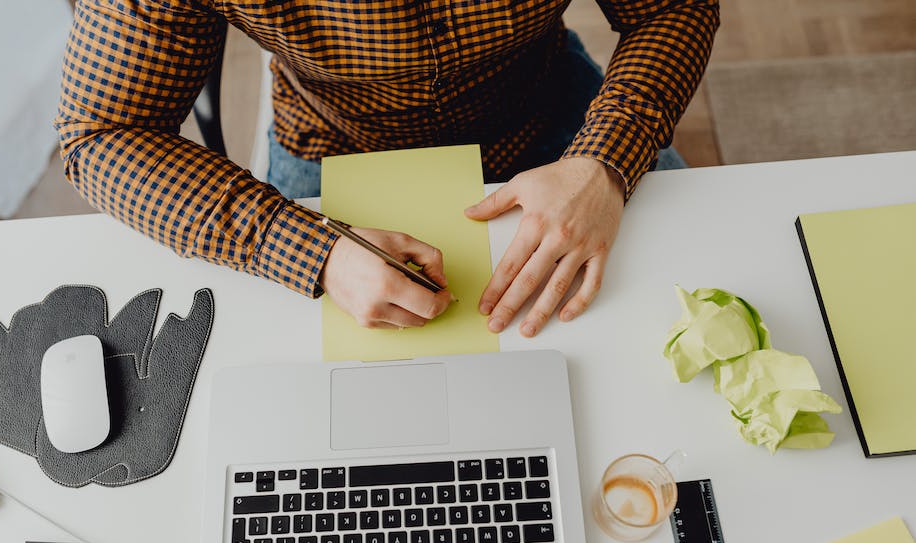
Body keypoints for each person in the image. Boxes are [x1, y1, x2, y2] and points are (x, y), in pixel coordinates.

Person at [56, 1, 719, 336]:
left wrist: (605, 158)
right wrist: (310, 251)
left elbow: (671, 6)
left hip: (556, 116)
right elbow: (99, 133)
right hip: (331, 149)